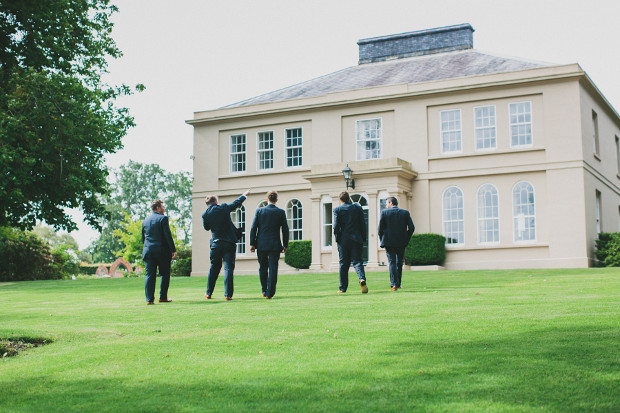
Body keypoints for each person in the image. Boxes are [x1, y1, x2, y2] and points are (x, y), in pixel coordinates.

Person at [202, 189, 250, 300]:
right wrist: (244, 195)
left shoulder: (205, 214)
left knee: (214, 268)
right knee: (228, 269)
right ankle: (228, 295)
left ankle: (208, 293)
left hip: (216, 244)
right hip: (229, 243)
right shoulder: (223, 207)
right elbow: (235, 204)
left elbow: (207, 228)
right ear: (216, 201)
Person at [249, 190, 289, 299]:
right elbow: (285, 230)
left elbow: (253, 228)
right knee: (273, 268)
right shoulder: (281, 212)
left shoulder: (259, 211)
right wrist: (285, 245)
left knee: (262, 268)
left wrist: (252, 243)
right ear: (276, 200)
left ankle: (264, 290)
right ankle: (270, 293)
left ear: (267, 199)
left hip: (261, 244)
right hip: (274, 244)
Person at [142, 199, 177, 305]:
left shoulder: (145, 221)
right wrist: (173, 249)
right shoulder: (163, 218)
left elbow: (143, 238)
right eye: (162, 206)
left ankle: (149, 300)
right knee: (165, 274)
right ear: (158, 208)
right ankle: (163, 297)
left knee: (149, 275)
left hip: (148, 251)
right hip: (162, 251)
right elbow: (167, 235)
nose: (164, 208)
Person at [333, 191, 368, 294]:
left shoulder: (337, 210)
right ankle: (362, 279)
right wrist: (363, 238)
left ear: (341, 200)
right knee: (357, 261)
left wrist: (337, 238)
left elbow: (335, 226)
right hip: (357, 238)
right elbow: (363, 224)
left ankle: (342, 288)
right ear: (349, 199)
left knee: (344, 263)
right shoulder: (358, 208)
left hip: (343, 240)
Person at [378, 196, 415, 291]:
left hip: (388, 242)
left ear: (391, 203)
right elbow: (411, 228)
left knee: (392, 262)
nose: (386, 205)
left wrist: (382, 239)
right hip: (401, 242)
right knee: (399, 262)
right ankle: (398, 284)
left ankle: (394, 284)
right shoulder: (405, 213)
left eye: (387, 203)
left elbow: (380, 229)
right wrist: (406, 238)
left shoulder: (384, 213)